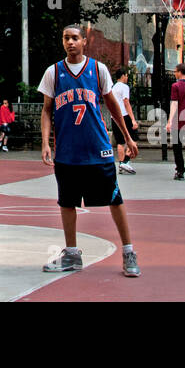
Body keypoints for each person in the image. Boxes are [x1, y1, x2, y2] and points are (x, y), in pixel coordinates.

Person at [40, 25, 141, 277]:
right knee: (67, 202)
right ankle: (72, 253)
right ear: (62, 42)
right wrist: (45, 143)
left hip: (98, 150)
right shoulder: (53, 72)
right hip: (67, 151)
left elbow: (113, 106)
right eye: (66, 38)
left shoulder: (98, 69)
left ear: (84, 41)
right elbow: (46, 111)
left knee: (114, 199)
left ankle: (128, 251)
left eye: (75, 38)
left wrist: (127, 137)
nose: (71, 42)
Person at [111, 68, 139, 175]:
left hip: (114, 117)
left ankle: (121, 165)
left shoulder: (113, 88)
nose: (127, 78)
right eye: (126, 76)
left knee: (120, 142)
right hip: (124, 115)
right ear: (123, 76)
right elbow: (126, 102)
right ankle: (126, 160)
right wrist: (133, 119)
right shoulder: (124, 87)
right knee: (134, 138)